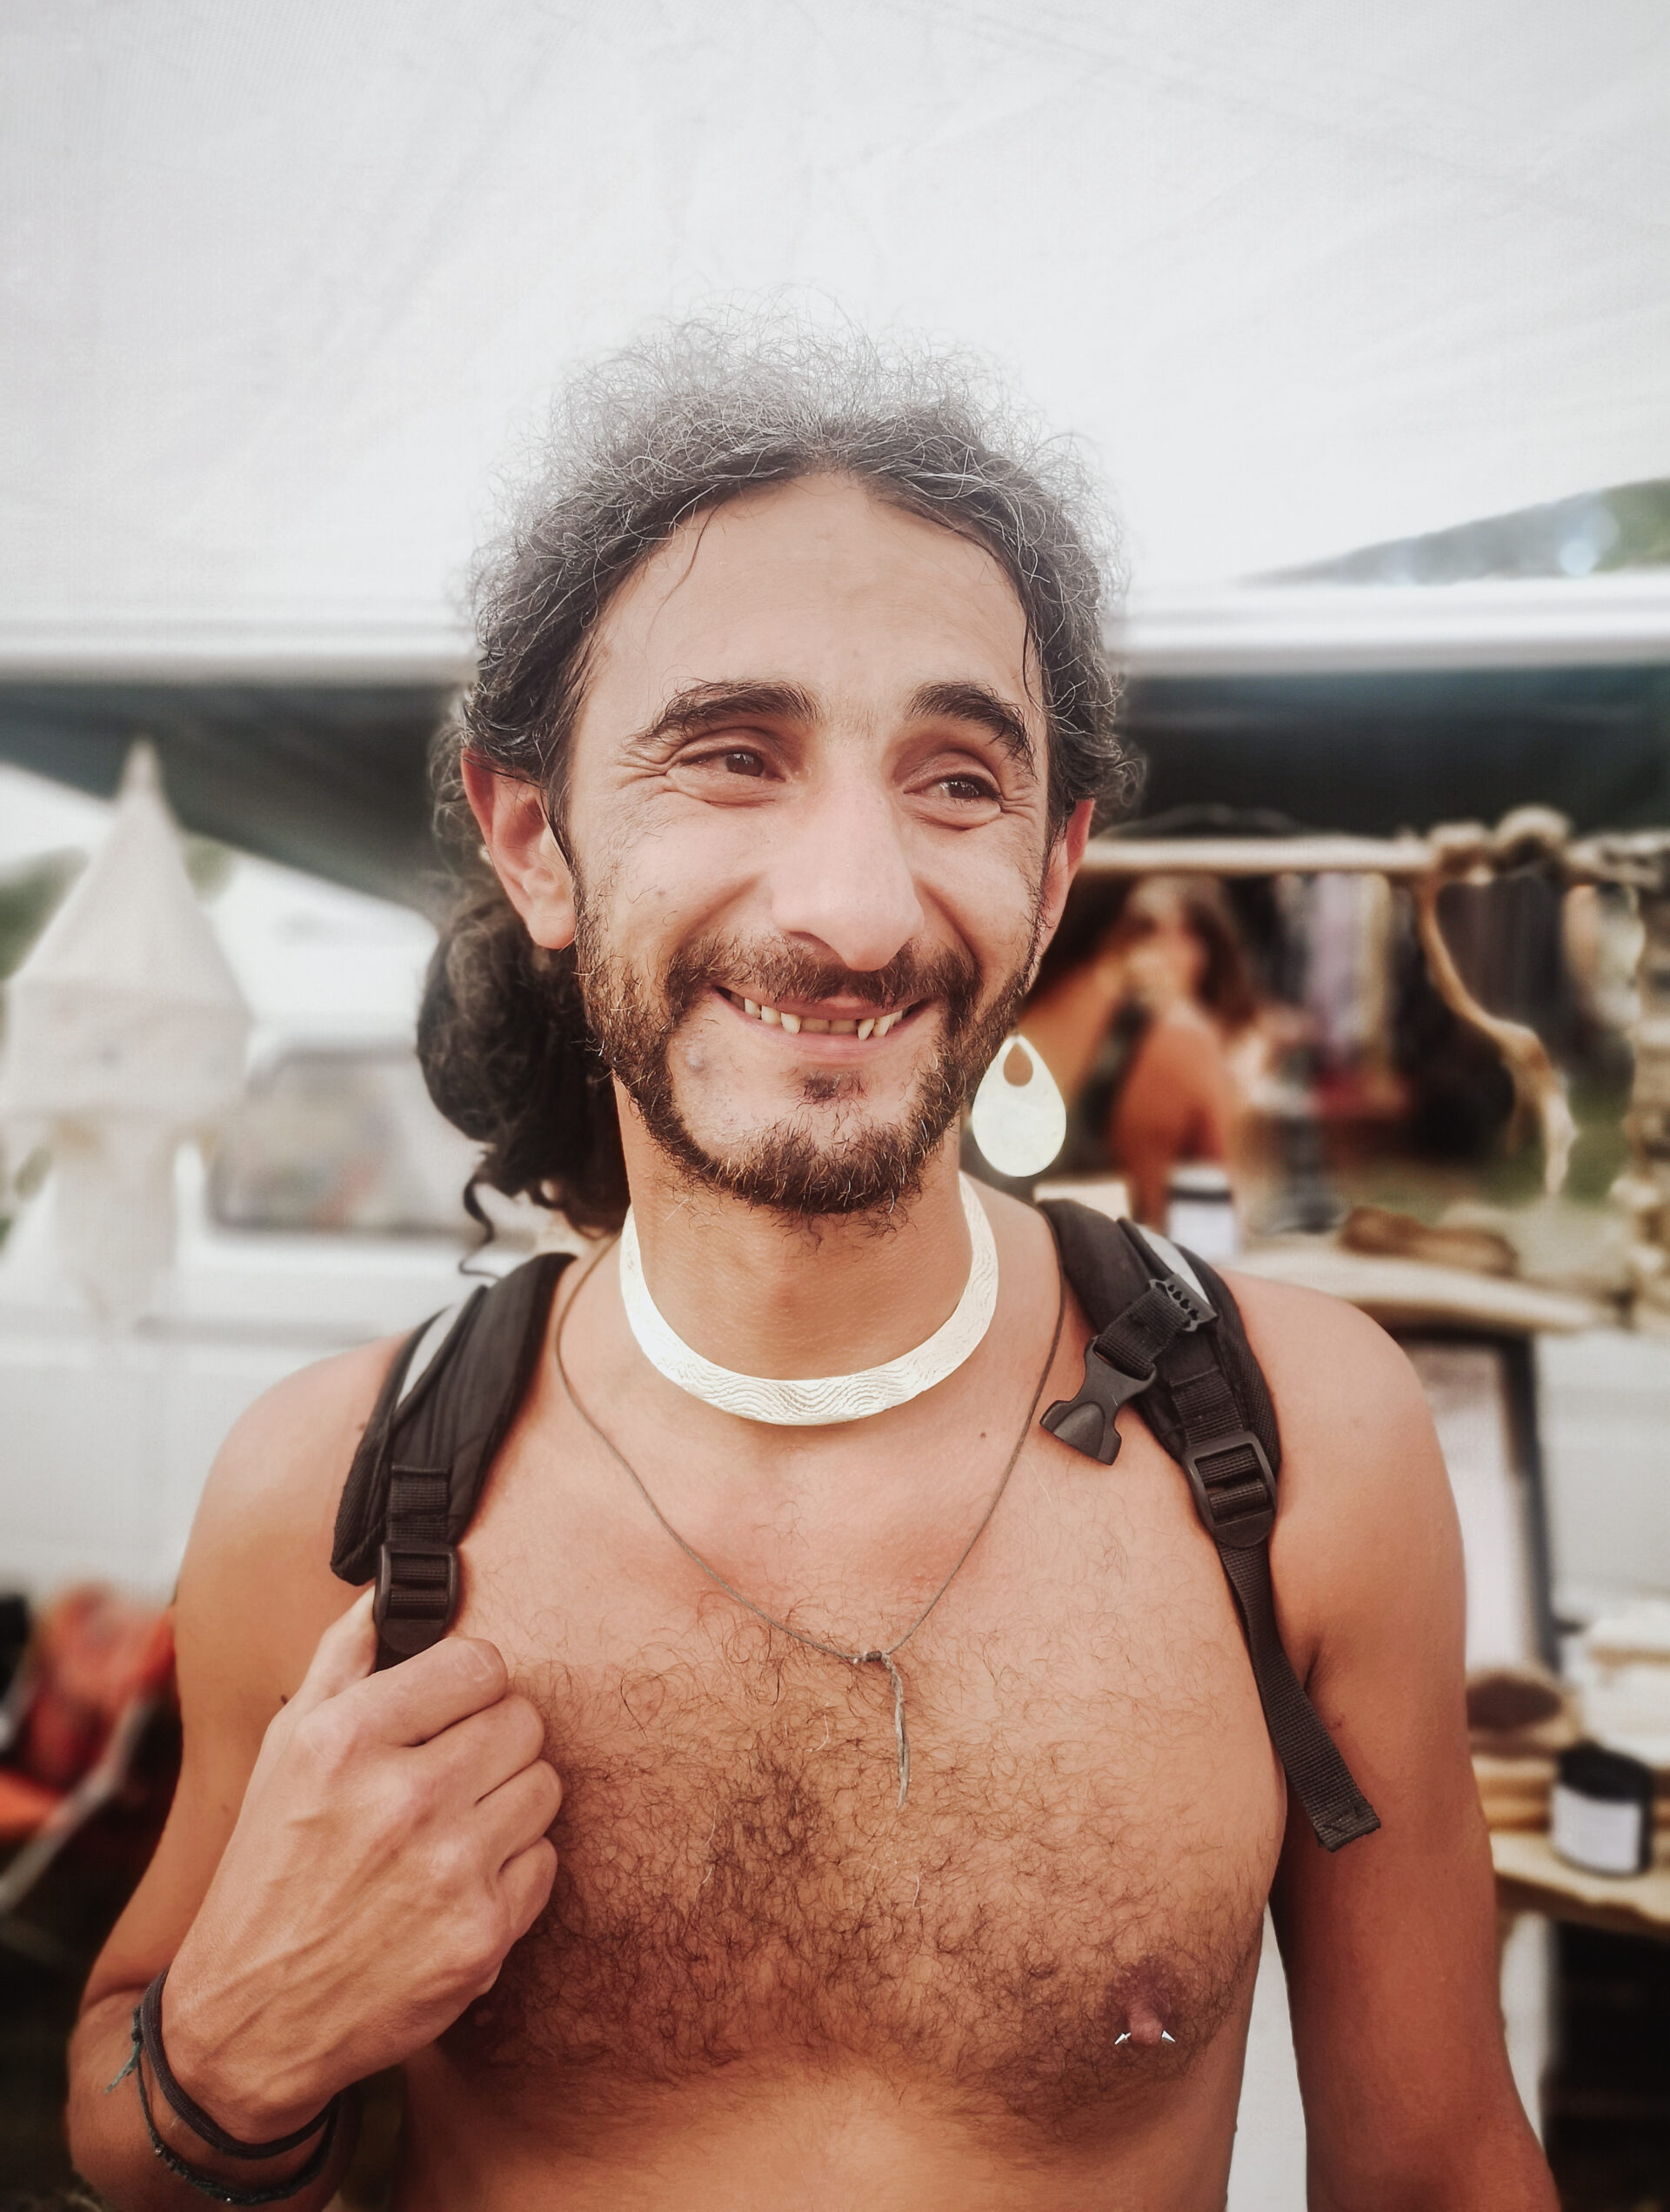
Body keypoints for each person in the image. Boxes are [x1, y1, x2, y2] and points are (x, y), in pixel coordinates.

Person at [67, 325, 1554, 2211]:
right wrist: (236, 2047)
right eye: (731, 757)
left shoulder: (1301, 1445)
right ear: (534, 837)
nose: (851, 908)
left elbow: (1441, 2166)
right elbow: (121, 2103)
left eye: (957, 780)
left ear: (1057, 866)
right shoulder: (332, 1498)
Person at [1024, 875, 1262, 1221]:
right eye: (1150, 931)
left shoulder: (1004, 1014)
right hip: (1128, 1245)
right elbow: (1219, 1207)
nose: (1169, 951)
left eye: (1187, 935)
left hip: (1013, 1238)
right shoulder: (1181, 1037)